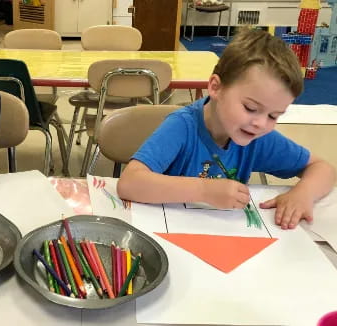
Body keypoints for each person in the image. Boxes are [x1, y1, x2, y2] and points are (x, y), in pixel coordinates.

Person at [117, 28, 335, 230]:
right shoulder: (182, 126)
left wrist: (304, 193)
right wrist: (203, 190)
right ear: (215, 87)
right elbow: (129, 183)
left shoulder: (257, 136)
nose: (260, 123)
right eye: (250, 108)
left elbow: (323, 168)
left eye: (273, 115)